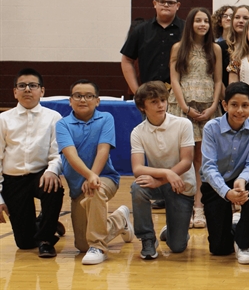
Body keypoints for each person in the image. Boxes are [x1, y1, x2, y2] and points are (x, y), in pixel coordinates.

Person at [56, 79, 133, 265]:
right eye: (78, 96)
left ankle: (98, 247)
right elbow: (70, 154)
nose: (83, 100)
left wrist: (93, 177)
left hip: (105, 178)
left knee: (95, 190)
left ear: (97, 101)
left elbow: (103, 150)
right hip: (77, 187)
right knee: (82, 245)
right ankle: (119, 220)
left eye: (89, 96)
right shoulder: (62, 124)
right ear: (70, 100)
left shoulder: (106, 118)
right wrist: (88, 175)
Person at [168, 7, 224, 229]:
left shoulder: (216, 49)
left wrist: (212, 107)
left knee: (202, 160)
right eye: (198, 20)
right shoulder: (178, 48)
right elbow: (174, 79)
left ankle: (199, 208)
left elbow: (219, 80)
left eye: (206, 21)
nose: (202, 24)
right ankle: (183, 207)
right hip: (183, 107)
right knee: (184, 159)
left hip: (208, 107)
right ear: (190, 23)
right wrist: (184, 107)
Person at [0, 68, 64, 258]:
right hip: (13, 180)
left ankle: (46, 239)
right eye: (22, 86)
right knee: (25, 243)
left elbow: (57, 153)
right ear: (15, 92)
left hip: (41, 175)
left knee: (54, 187)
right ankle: (46, 221)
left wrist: (52, 171)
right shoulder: (3, 119)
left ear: (42, 91)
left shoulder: (53, 117)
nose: (27, 89)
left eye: (33, 85)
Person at [129, 81, 197, 260]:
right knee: (138, 188)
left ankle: (174, 228)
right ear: (142, 107)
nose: (160, 105)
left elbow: (187, 161)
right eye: (153, 102)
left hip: (182, 185)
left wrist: (161, 179)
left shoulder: (183, 124)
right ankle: (147, 239)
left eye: (162, 100)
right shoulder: (137, 132)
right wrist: (166, 174)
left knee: (177, 247)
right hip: (160, 182)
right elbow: (137, 168)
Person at [200, 82, 249, 264]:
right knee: (219, 249)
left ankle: (243, 244)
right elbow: (209, 167)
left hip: (240, 180)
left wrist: (242, 180)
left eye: (245, 106)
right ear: (225, 105)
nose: (239, 111)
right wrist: (226, 193)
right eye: (234, 105)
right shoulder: (211, 128)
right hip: (215, 184)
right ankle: (239, 224)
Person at [121, 0, 184, 94]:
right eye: (162, 2)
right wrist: (137, 92)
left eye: (170, 2)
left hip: (181, 93)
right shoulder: (141, 30)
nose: (166, 5)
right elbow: (127, 60)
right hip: (149, 92)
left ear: (177, 6)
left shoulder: (187, 29)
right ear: (155, 3)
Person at [218, 5, 249, 90]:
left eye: (245, 18)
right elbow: (217, 79)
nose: (241, 21)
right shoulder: (221, 47)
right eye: (237, 17)